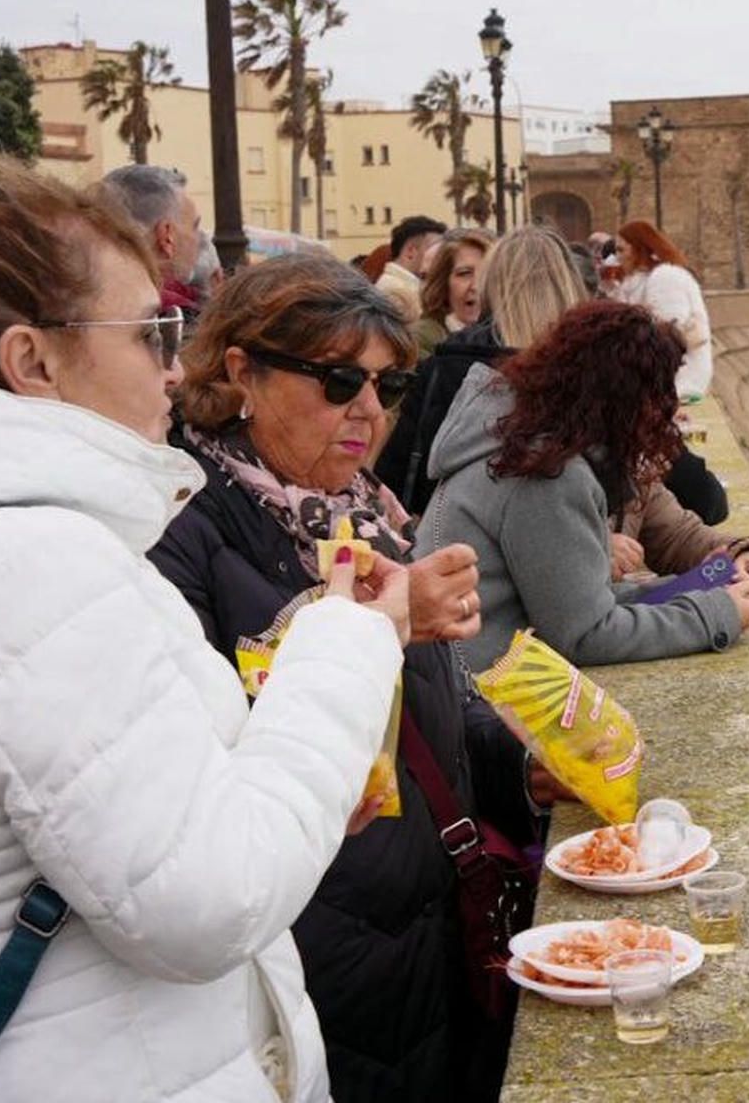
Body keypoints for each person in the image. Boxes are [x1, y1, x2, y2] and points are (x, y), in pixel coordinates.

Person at [0, 123, 408, 1102]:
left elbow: (102, 822)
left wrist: (293, 774)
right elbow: (207, 898)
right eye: (151, 332)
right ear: (34, 362)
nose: (170, 368)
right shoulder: (29, 567)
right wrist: (351, 636)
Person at [148, 254, 554, 1103]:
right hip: (313, 945)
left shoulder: (364, 510)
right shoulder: (180, 535)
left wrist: (525, 766)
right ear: (240, 373)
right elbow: (201, 759)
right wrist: (381, 625)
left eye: (388, 386)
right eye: (339, 382)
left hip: (424, 925)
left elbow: (423, 712)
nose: (369, 411)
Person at [423, 300, 749, 667]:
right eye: (657, 394)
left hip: (462, 669)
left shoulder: (525, 445)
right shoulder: (546, 476)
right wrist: (712, 616)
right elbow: (586, 634)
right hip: (479, 685)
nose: (669, 409)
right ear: (619, 398)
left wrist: (705, 588)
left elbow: (580, 604)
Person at [376, 225, 584, 515]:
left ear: (493, 284)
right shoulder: (591, 369)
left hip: (458, 538)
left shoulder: (449, 364)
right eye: (463, 273)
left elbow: (399, 473)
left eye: (479, 273)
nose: (473, 284)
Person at [611, 220, 728, 524]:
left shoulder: (664, 278)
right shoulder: (650, 278)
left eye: (623, 249)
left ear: (640, 247)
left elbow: (667, 339)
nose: (618, 256)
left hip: (681, 379)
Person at [95, 163, 205, 317]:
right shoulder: (176, 317)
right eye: (195, 226)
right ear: (167, 236)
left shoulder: (76, 304)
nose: (200, 239)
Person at [413, 227, 493, 356]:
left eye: (487, 273)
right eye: (465, 273)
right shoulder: (421, 341)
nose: (477, 286)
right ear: (443, 282)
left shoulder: (512, 336)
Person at [376, 215, 446, 321]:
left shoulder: (406, 288)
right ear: (410, 252)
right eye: (435, 249)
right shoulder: (394, 293)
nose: (441, 256)